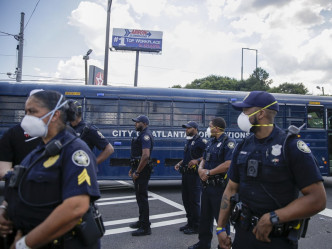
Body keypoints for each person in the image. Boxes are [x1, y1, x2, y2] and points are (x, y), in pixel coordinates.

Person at [217, 91, 326, 249]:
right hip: (243, 234)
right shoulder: (242, 145)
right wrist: (220, 227)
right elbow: (231, 189)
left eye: (245, 111)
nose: (241, 116)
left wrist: (273, 217)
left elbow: (318, 199)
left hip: (276, 240)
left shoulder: (290, 146)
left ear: (260, 113)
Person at [0, 90, 103, 249]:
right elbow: (20, 184)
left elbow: (76, 207)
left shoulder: (74, 150)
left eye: (32, 112)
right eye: (26, 112)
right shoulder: (39, 151)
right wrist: (5, 209)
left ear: (55, 115)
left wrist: (24, 244)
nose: (26, 118)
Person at [188, 117, 236, 249]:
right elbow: (204, 157)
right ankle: (203, 243)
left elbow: (228, 164)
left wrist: (209, 172)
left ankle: (223, 245)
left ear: (217, 128)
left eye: (210, 125)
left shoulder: (228, 142)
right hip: (207, 187)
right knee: (205, 218)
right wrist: (200, 168)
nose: (208, 128)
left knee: (221, 219)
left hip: (219, 189)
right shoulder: (211, 142)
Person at [175, 121, 207, 234]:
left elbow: (207, 155)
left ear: (195, 129)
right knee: (186, 199)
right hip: (185, 174)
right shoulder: (189, 141)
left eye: (188, 128)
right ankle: (190, 223)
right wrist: (180, 163)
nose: (186, 130)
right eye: (186, 128)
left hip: (194, 176)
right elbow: (188, 157)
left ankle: (197, 226)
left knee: (194, 201)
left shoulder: (201, 141)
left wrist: (197, 161)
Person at [128, 115, 154, 236]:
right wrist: (132, 169)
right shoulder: (142, 134)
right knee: (139, 197)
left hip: (142, 172)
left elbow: (145, 156)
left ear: (143, 123)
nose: (135, 124)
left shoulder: (145, 136)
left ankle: (145, 227)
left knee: (142, 198)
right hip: (138, 169)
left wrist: (137, 172)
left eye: (137, 122)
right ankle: (141, 221)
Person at [68, 100, 114, 166]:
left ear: (75, 115)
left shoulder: (89, 129)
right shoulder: (68, 127)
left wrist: (92, 164)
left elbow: (109, 149)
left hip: (82, 170)